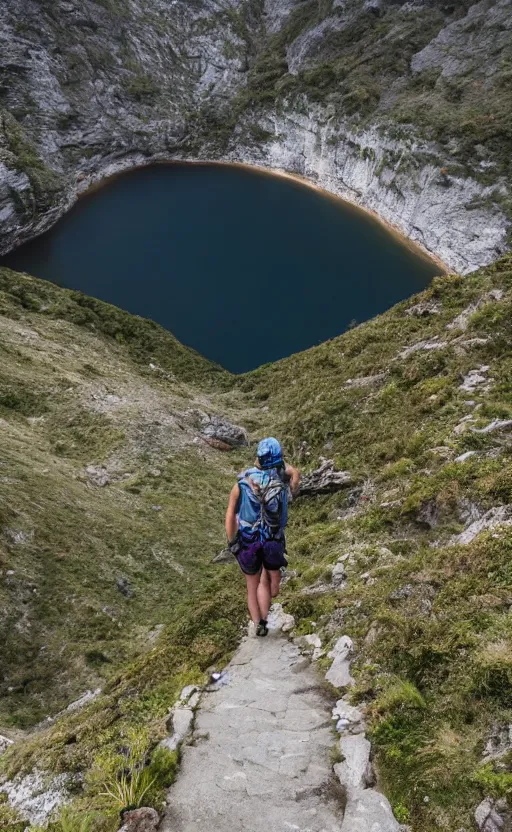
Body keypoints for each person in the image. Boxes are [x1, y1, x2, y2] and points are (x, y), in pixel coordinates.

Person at [225, 437, 300, 637]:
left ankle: (260, 623)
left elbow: (231, 514)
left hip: (248, 540)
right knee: (269, 584)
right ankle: (265, 617)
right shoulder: (282, 479)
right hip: (273, 539)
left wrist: (232, 541)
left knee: (252, 584)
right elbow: (294, 476)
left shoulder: (241, 482)